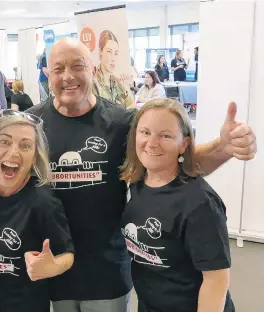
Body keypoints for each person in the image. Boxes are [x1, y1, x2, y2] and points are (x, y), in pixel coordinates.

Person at [27, 38, 256, 312]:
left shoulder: (121, 122)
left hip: (107, 271)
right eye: (58, 69)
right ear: (47, 74)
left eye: (78, 66)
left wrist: (222, 148)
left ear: (93, 70)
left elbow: (170, 162)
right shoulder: (31, 125)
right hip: (56, 266)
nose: (68, 76)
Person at [120, 99, 235, 312]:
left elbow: (216, 279)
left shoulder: (200, 204)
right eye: (145, 132)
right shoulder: (138, 183)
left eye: (165, 136)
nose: (152, 143)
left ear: (183, 144)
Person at [0, 110, 74, 311]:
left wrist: (52, 267)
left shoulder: (42, 203)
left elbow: (67, 254)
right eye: (5, 142)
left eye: (25, 145)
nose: (13, 152)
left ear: (35, 156)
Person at [93, 30, 134, 108]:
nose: (113, 58)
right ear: (100, 52)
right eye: (109, 51)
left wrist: (127, 86)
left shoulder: (117, 82)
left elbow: (132, 107)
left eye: (116, 53)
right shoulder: (93, 83)